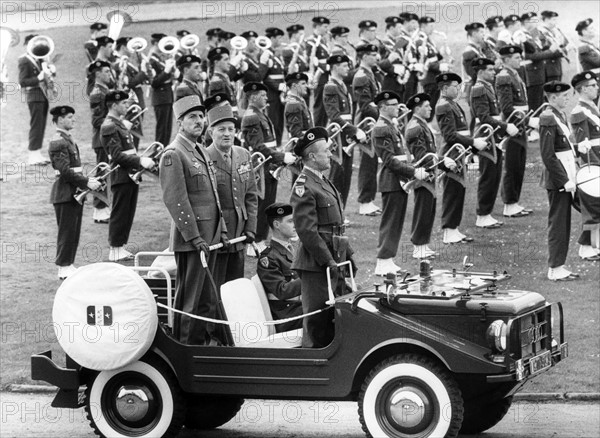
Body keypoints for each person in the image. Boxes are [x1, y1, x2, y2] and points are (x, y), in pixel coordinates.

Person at [159, 95, 228, 345]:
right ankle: (185, 349)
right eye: (192, 117)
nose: (199, 121)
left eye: (201, 116)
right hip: (192, 239)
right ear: (180, 122)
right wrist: (194, 236)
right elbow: (176, 199)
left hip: (209, 235)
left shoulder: (198, 148)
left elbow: (211, 196)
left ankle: (201, 345)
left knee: (206, 297)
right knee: (190, 298)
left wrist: (221, 230)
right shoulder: (174, 154)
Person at [290, 127, 355, 348]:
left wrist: (347, 255)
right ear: (312, 157)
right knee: (317, 319)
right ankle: (311, 365)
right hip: (316, 264)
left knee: (334, 316)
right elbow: (307, 231)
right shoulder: (303, 185)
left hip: (333, 258)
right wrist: (328, 260)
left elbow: (336, 227)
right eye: (326, 151)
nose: (330, 154)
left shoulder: (322, 180)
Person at [372, 91, 427, 275]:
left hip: (398, 178)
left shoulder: (390, 125)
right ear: (382, 107)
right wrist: (413, 172)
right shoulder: (381, 128)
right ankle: (383, 260)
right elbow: (389, 159)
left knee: (396, 221)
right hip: (392, 179)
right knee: (391, 221)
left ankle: (388, 258)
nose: (398, 107)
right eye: (393, 105)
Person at [206, 101, 258, 284]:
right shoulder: (204, 159)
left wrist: (251, 226)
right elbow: (206, 203)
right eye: (221, 129)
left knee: (236, 283)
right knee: (216, 284)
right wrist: (219, 231)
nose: (227, 134)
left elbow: (251, 195)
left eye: (231, 129)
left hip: (240, 232)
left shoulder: (243, 154)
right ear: (211, 132)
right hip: (217, 236)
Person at [101, 90, 155, 262]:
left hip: (129, 172)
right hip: (121, 173)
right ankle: (115, 248)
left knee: (127, 211)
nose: (127, 106)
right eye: (124, 103)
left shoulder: (118, 123)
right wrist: (140, 161)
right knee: (120, 211)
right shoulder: (110, 125)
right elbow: (116, 155)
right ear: (114, 105)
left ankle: (120, 246)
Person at [48, 106, 101, 279]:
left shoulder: (67, 139)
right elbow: (64, 170)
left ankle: (68, 263)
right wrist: (86, 182)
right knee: (67, 231)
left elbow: (73, 169)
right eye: (70, 117)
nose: (73, 119)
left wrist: (86, 182)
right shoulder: (58, 141)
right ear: (60, 119)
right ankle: (63, 266)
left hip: (72, 190)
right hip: (65, 192)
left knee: (74, 230)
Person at [241, 82, 296, 249]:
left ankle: (260, 238)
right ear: (254, 96)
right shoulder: (252, 116)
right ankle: (255, 241)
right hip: (260, 166)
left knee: (268, 203)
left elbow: (267, 143)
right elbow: (257, 146)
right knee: (260, 204)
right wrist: (280, 156)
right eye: (263, 95)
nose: (266, 98)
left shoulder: (259, 114)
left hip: (268, 165)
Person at [435, 72, 487, 244]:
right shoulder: (444, 106)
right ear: (444, 88)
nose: (458, 89)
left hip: (459, 153)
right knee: (452, 192)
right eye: (454, 87)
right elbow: (449, 135)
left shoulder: (452, 104)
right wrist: (473, 142)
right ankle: (448, 230)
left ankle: (454, 228)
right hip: (452, 154)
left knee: (459, 190)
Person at [470, 57, 520, 229]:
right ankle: (482, 214)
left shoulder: (487, 87)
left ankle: (487, 213)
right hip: (486, 136)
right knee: (488, 176)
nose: (494, 72)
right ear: (480, 71)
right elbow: (483, 117)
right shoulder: (478, 89)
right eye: (490, 70)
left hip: (494, 135)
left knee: (495, 174)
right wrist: (505, 126)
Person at [539, 81, 580, 281]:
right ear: (553, 97)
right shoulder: (548, 117)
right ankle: (555, 267)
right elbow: (548, 155)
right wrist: (563, 180)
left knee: (564, 223)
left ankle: (560, 265)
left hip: (567, 175)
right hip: (558, 181)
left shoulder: (559, 115)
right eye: (564, 96)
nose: (567, 98)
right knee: (558, 223)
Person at [496, 45, 538, 218]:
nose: (519, 59)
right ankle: (509, 203)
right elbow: (506, 107)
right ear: (506, 60)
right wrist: (528, 121)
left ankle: (514, 201)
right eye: (515, 57)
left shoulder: (514, 74)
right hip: (513, 125)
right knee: (512, 165)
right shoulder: (504, 77)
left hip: (520, 124)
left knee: (519, 164)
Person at [257, 202, 303, 333]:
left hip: (299, 307)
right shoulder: (268, 258)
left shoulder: (294, 249)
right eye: (290, 221)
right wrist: (309, 277)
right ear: (277, 225)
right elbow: (282, 291)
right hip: (286, 316)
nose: (295, 225)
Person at [405, 93, 441, 259]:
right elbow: (420, 154)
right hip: (423, 173)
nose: (430, 108)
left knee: (429, 209)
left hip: (429, 171)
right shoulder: (415, 127)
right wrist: (434, 164)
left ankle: (423, 245)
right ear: (417, 108)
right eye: (426, 106)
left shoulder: (421, 124)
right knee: (423, 209)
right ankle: (418, 246)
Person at [323, 54, 361, 209]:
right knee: (338, 174)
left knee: (346, 175)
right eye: (344, 66)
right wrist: (353, 130)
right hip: (338, 135)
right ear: (334, 67)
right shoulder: (331, 86)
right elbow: (334, 115)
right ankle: (332, 211)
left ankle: (340, 211)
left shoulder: (341, 85)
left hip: (346, 133)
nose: (347, 68)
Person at [569, 71, 600, 261]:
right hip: (592, 164)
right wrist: (594, 166)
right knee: (593, 207)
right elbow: (584, 145)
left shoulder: (591, 108)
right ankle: (586, 247)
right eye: (593, 85)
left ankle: (593, 245)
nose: (597, 88)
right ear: (582, 89)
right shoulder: (579, 112)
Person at [353, 44, 382, 216]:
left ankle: (369, 200)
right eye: (372, 54)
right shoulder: (362, 76)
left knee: (372, 162)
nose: (376, 57)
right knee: (367, 163)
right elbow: (365, 105)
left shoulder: (369, 74)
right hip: (366, 123)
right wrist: (383, 113)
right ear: (363, 56)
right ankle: (364, 202)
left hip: (372, 122)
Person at [18, 34, 50, 165]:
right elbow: (22, 81)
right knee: (36, 124)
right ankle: (32, 154)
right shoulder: (24, 60)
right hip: (34, 95)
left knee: (41, 124)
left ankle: (37, 153)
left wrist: (50, 72)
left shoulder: (39, 59)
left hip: (42, 94)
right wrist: (39, 78)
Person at [89, 60, 114, 224]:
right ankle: (99, 210)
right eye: (106, 71)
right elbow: (97, 120)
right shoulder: (98, 93)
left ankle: (103, 208)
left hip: (106, 138)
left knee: (106, 173)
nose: (109, 75)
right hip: (101, 139)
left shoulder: (105, 90)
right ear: (98, 74)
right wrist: (115, 120)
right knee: (102, 173)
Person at [258, 27, 287, 145]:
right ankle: (273, 145)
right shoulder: (266, 54)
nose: (280, 40)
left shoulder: (275, 55)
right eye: (278, 38)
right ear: (272, 38)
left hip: (279, 94)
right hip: (271, 94)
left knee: (280, 122)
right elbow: (263, 77)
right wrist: (278, 86)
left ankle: (279, 144)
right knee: (273, 122)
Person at [149, 34, 176, 145]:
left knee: (167, 129)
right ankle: (158, 153)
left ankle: (164, 151)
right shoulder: (152, 60)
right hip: (160, 97)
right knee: (162, 130)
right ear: (156, 43)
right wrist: (166, 71)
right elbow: (153, 82)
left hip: (167, 96)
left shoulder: (162, 58)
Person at [284, 72, 312, 139]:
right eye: (303, 84)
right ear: (294, 86)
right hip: (302, 144)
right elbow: (296, 133)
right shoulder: (293, 104)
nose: (306, 86)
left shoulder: (300, 100)